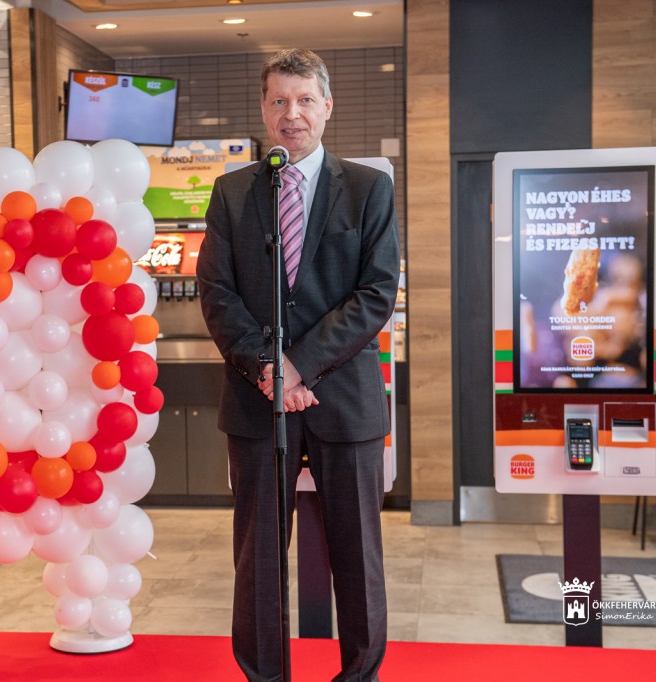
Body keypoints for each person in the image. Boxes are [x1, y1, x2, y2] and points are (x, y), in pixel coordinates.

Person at [196, 48, 400, 682]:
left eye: (305, 100)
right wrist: (269, 367)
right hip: (257, 399)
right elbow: (216, 292)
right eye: (280, 101)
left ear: (327, 106)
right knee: (258, 559)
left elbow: (376, 294)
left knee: (358, 556)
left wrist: (299, 367)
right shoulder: (233, 192)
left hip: (344, 399)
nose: (293, 114)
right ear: (264, 109)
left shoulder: (368, 188)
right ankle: (265, 676)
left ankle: (359, 675)